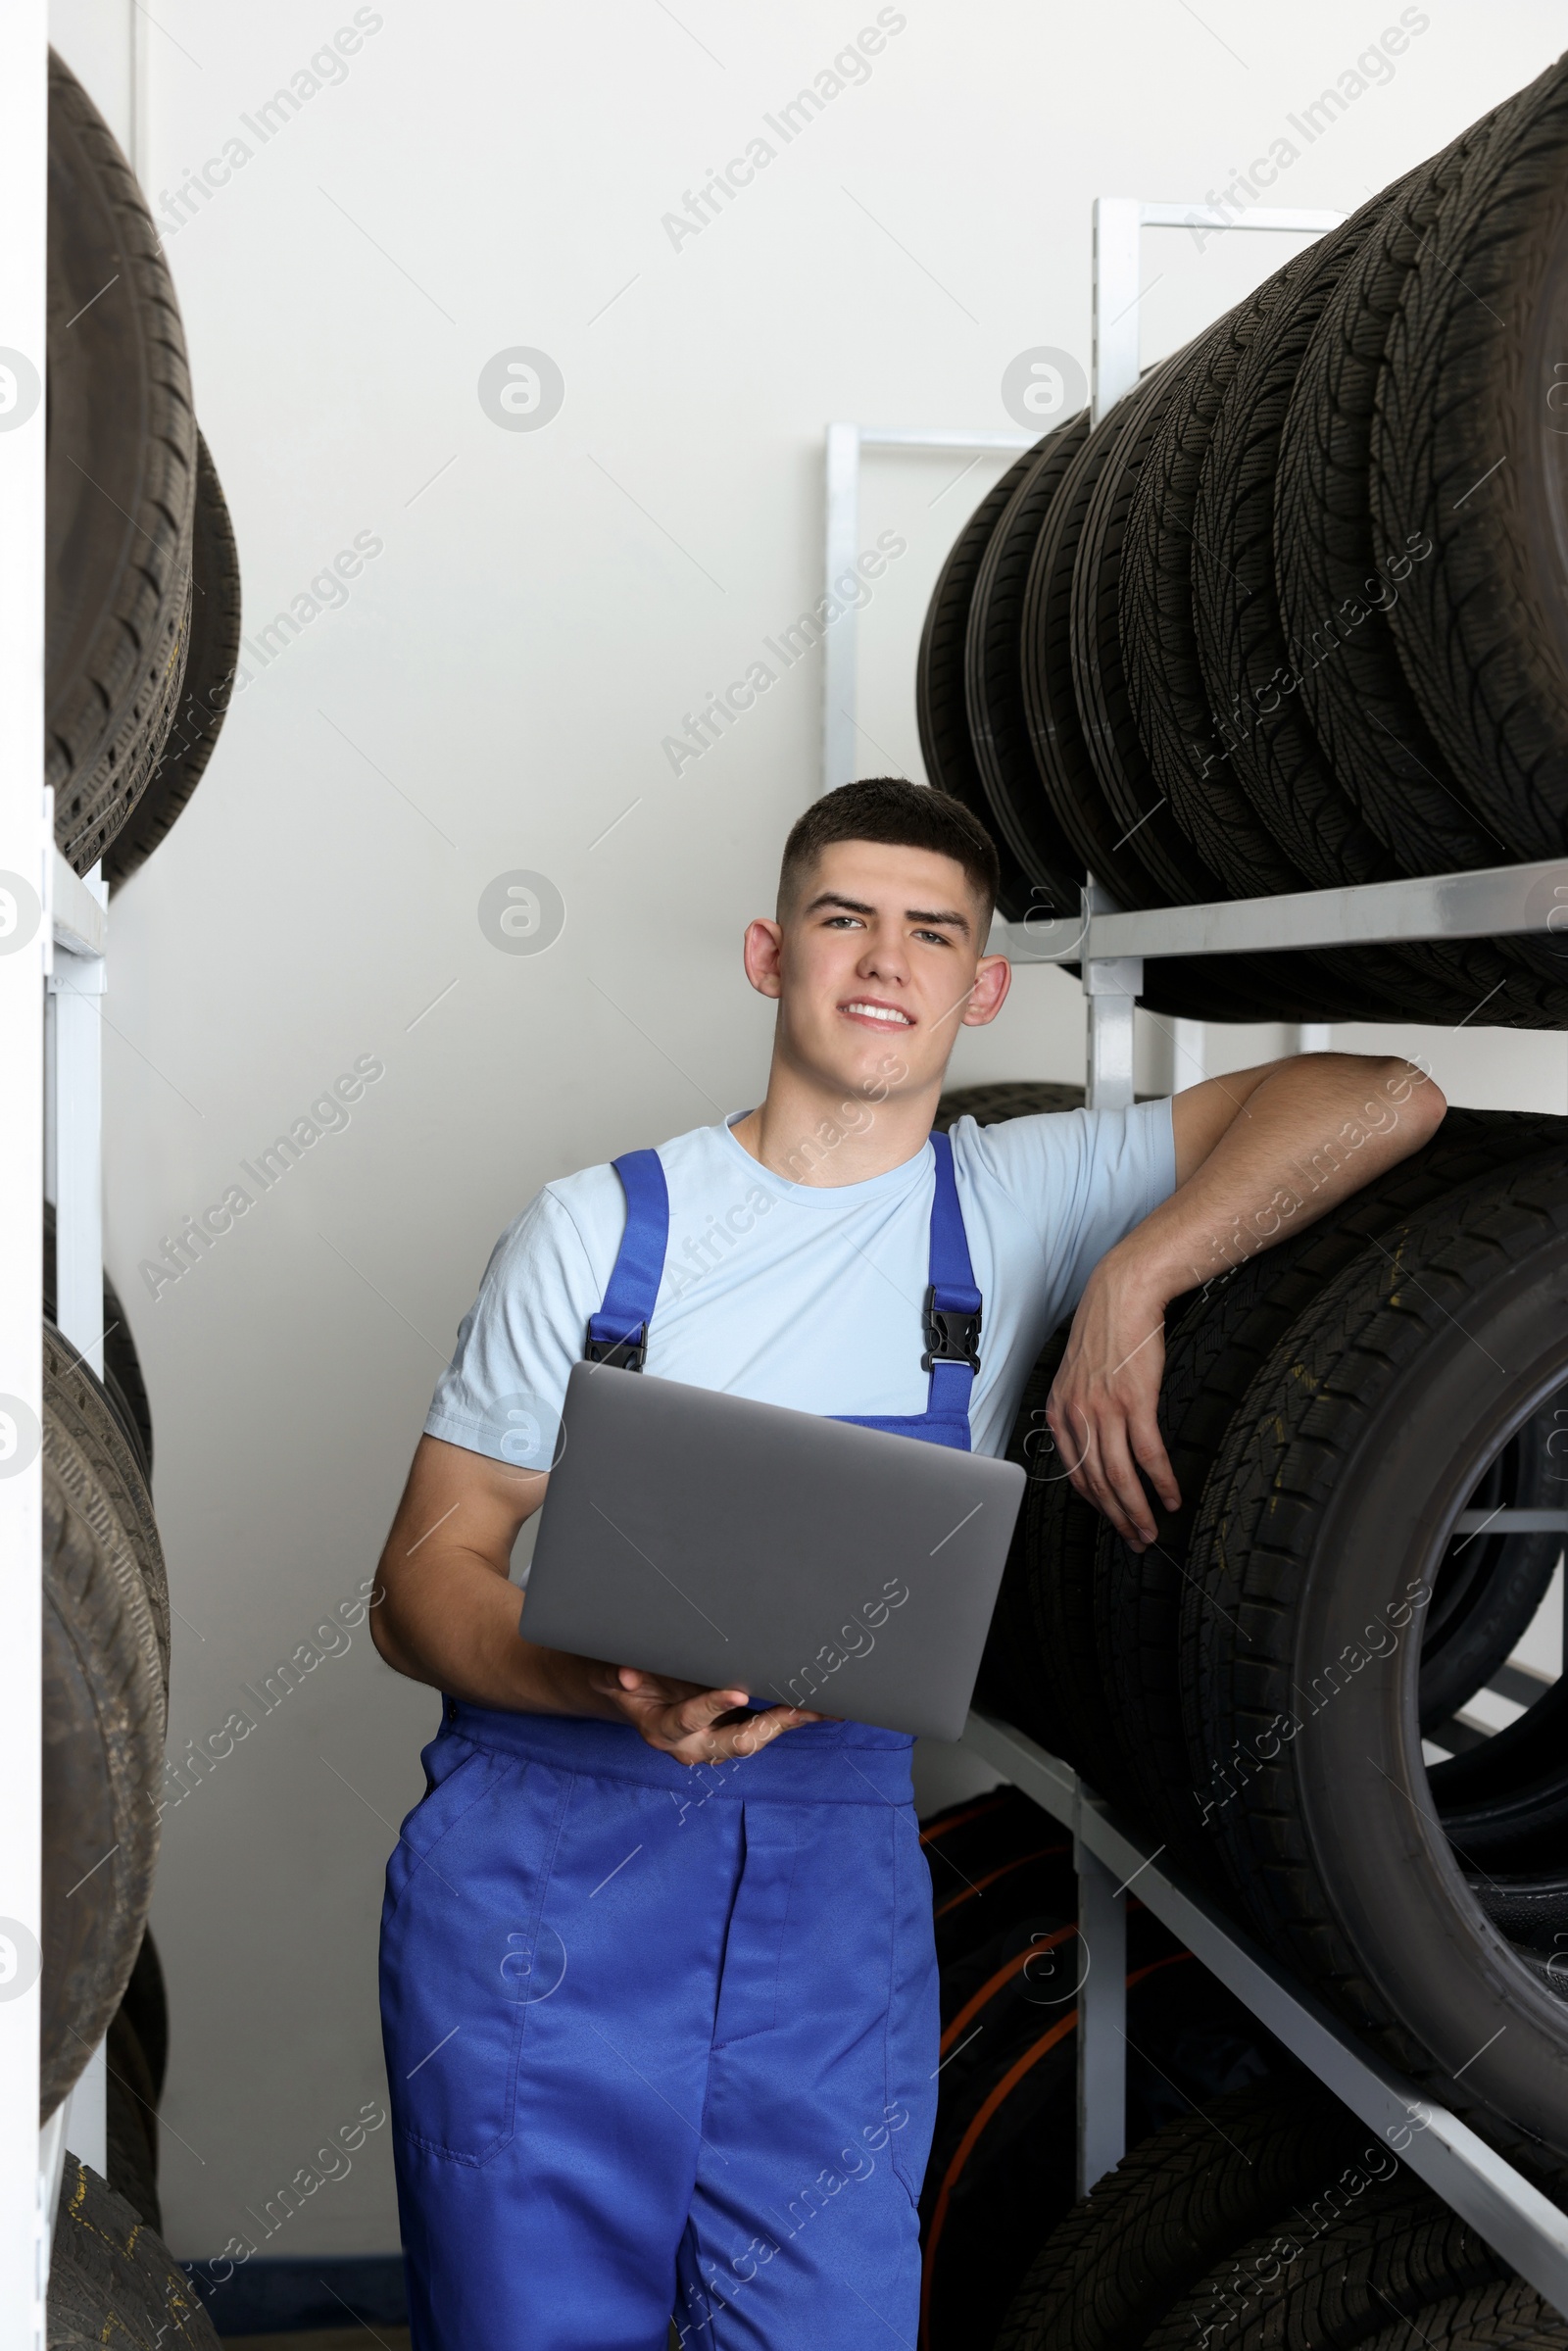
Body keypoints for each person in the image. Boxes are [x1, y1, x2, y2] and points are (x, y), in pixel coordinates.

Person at [370, 776, 1444, 2351]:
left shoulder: (1015, 1207)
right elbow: (419, 1580)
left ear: (982, 986)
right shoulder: (603, 1231)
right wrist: (600, 1686)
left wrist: (1137, 1275)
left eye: (932, 932)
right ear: (768, 954)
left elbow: (1389, 1092)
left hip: (829, 1900)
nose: (885, 960)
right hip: (550, 1888)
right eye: (843, 919)